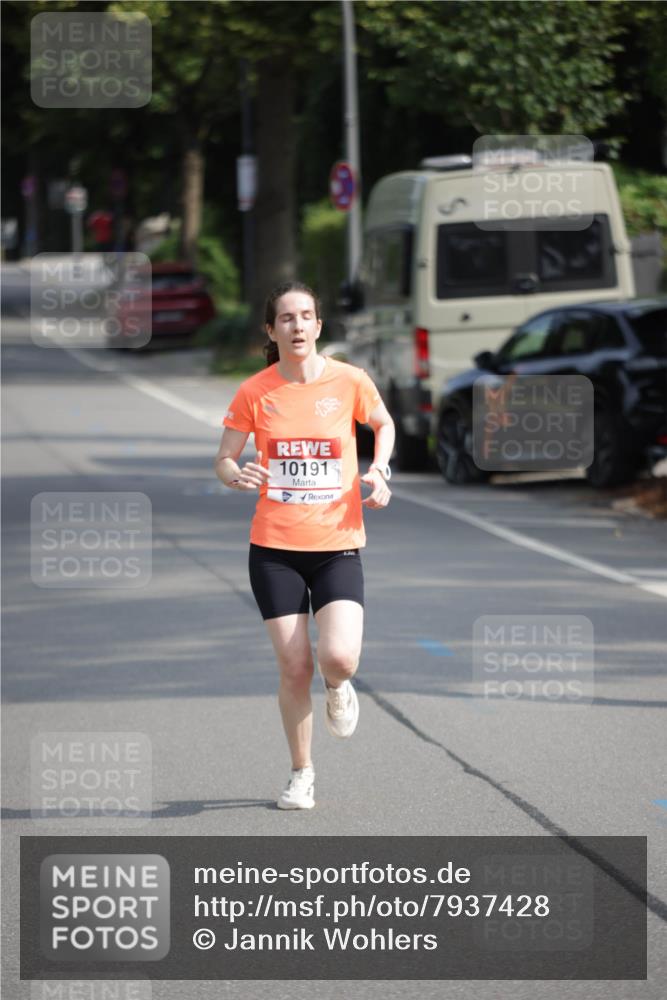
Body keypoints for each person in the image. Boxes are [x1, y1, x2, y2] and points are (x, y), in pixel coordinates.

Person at [214, 281, 395, 809]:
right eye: (286, 318)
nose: (297, 326)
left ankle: (339, 688)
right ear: (271, 330)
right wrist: (234, 473)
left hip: (337, 542)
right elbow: (224, 457)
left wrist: (379, 469)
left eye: (306, 316)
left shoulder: (349, 381)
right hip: (273, 549)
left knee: (337, 659)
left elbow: (381, 423)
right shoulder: (255, 391)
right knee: (294, 667)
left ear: (319, 326)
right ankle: (301, 773)